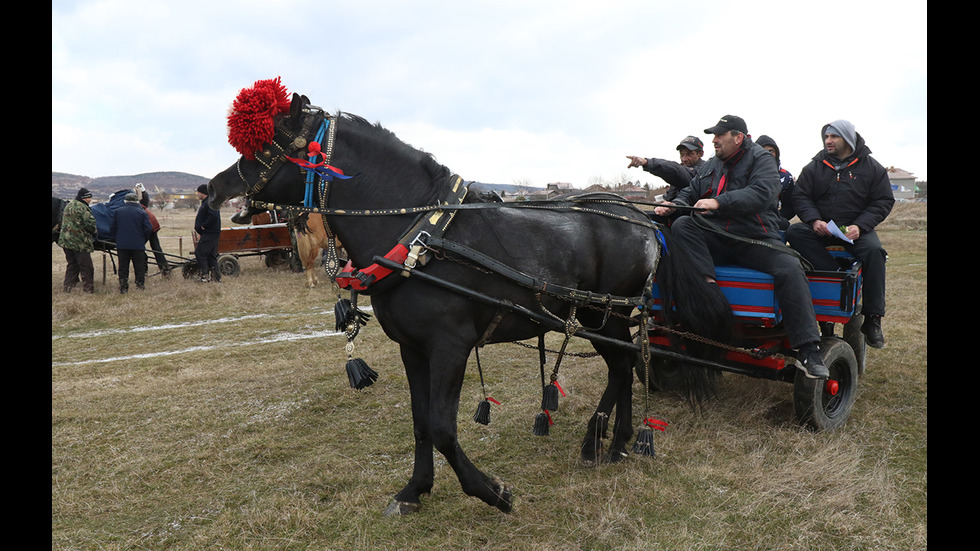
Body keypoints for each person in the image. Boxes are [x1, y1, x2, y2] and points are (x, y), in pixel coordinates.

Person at [654, 115, 828, 379]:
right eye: (713, 136)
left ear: (738, 137)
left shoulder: (762, 160)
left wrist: (718, 202)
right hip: (716, 234)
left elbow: (763, 192)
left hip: (754, 237)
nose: (713, 140)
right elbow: (691, 191)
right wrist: (674, 204)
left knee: (790, 267)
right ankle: (708, 288)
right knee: (682, 226)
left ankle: (808, 348)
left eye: (719, 136)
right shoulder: (712, 163)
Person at [786, 120, 894, 348]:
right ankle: (835, 275)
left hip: (855, 230)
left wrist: (860, 226)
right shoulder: (815, 166)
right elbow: (800, 196)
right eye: (826, 137)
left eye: (833, 137)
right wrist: (814, 220)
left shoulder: (871, 167)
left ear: (847, 138)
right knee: (795, 232)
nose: (828, 141)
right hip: (823, 228)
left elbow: (883, 200)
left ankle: (873, 319)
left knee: (875, 252)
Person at [626, 135, 706, 202]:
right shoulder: (682, 171)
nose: (684, 159)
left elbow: (676, 171)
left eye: (689, 154)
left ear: (700, 154)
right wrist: (663, 200)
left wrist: (648, 162)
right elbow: (671, 194)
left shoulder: (703, 170)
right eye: (682, 154)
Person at [109, 193, 153, 293]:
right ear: (136, 201)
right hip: (138, 245)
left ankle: (123, 287)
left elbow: (112, 228)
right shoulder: (141, 212)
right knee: (139, 267)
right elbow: (148, 229)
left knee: (123, 267)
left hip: (122, 245)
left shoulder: (117, 212)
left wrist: (117, 239)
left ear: (125, 201)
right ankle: (140, 286)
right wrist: (143, 240)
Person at [58, 187, 98, 293]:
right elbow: (89, 224)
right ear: (85, 198)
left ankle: (67, 288)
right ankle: (88, 289)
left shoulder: (69, 205)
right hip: (79, 242)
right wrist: (94, 231)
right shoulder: (82, 207)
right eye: (89, 198)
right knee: (86, 266)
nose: (90, 200)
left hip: (66, 241)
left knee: (72, 265)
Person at [756, 135, 796, 229]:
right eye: (762, 150)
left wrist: (777, 217)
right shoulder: (745, 173)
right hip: (747, 217)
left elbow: (790, 207)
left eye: (770, 151)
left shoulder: (785, 177)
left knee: (784, 224)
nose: (766, 154)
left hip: (771, 220)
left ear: (776, 154)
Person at [137, 188, 172, 277]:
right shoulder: (143, 204)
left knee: (139, 249)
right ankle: (165, 269)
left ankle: (144, 271)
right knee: (156, 248)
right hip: (152, 224)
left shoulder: (139, 207)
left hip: (149, 225)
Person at [194, 184, 222, 282]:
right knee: (210, 255)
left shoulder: (210, 202)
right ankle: (216, 278)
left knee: (200, 253)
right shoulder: (207, 202)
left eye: (198, 192)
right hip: (209, 233)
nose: (197, 194)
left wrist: (204, 226)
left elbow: (213, 216)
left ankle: (204, 277)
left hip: (210, 232)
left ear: (203, 193)